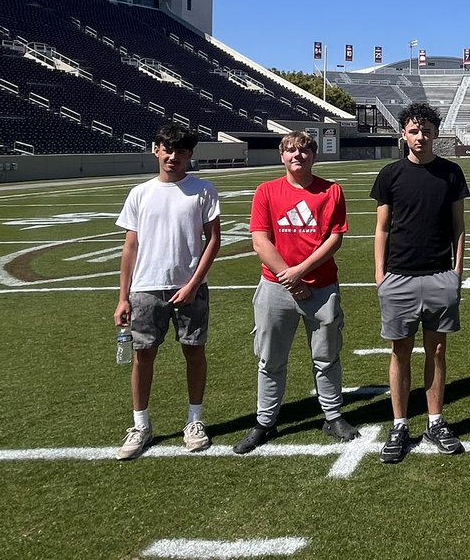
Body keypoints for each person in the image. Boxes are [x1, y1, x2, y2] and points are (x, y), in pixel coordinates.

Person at [233, 131, 356, 454]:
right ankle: (265, 421)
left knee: (326, 357)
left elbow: (334, 239)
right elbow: (260, 241)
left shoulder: (331, 190)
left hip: (321, 287)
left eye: (303, 150)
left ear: (313, 155)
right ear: (282, 156)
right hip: (275, 288)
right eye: (290, 150)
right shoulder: (266, 191)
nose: (297, 156)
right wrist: (289, 278)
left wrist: (300, 272)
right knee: (270, 359)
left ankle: (332, 415)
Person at [113, 122, 221, 460]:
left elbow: (213, 240)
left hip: (190, 287)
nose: (173, 156)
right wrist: (123, 297)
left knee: (194, 352)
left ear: (190, 155)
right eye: (167, 149)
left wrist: (193, 284)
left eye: (181, 151)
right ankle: (140, 425)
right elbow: (130, 247)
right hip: (145, 288)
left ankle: (195, 420)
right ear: (156, 149)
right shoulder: (140, 193)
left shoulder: (203, 189)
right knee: (143, 355)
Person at [371, 102, 470, 463]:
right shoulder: (390, 174)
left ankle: (435, 421)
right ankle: (399, 424)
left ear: (435, 134)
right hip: (399, 276)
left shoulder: (451, 172)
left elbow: (459, 226)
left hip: (440, 275)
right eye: (414, 131)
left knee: (437, 350)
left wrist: (456, 272)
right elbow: (382, 228)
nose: (420, 137)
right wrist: (380, 275)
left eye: (426, 131)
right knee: (400, 351)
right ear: (404, 134)